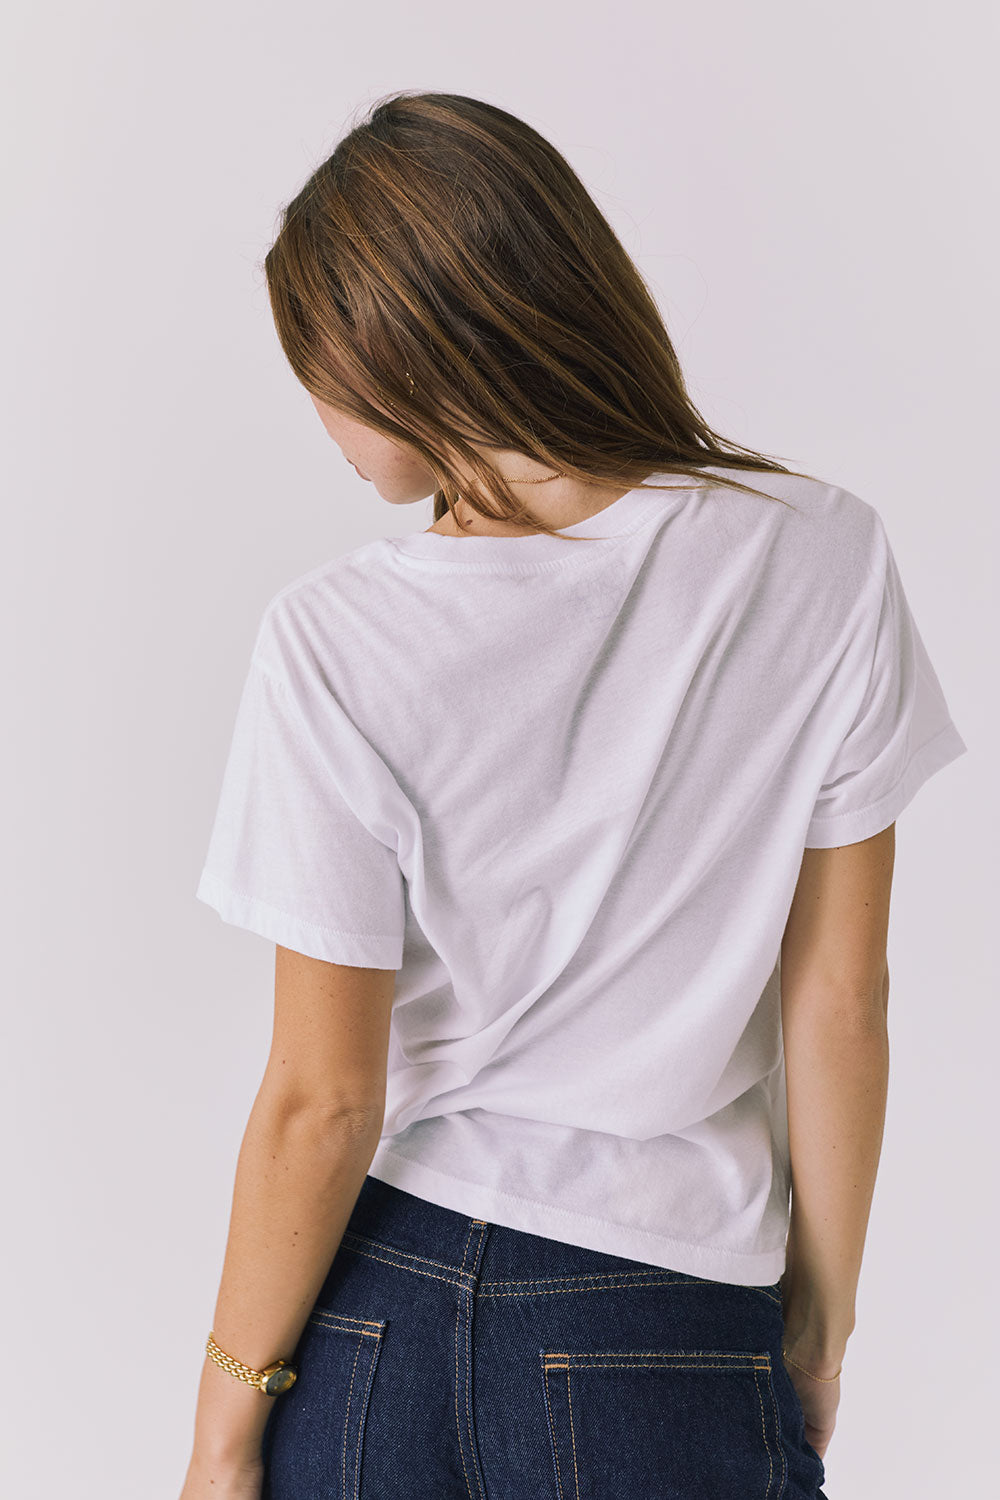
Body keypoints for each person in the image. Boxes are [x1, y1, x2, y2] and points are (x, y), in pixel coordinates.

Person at [179, 91, 968, 1500]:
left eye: (316, 369)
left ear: (393, 353)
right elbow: (843, 1001)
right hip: (668, 1319)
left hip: (377, 1321)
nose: (321, 422)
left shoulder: (338, 637)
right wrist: (826, 1321)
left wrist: (226, 1422)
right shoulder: (823, 557)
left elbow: (322, 1101)